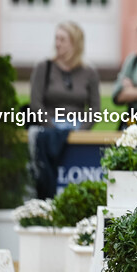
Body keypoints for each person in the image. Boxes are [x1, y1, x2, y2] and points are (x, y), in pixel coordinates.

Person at [28, 22, 100, 197]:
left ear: (75, 43)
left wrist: (80, 132)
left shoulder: (89, 72)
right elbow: (35, 104)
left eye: (63, 39)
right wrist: (53, 130)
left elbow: (95, 109)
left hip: (77, 127)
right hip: (50, 127)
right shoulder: (43, 68)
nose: (57, 43)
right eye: (56, 38)